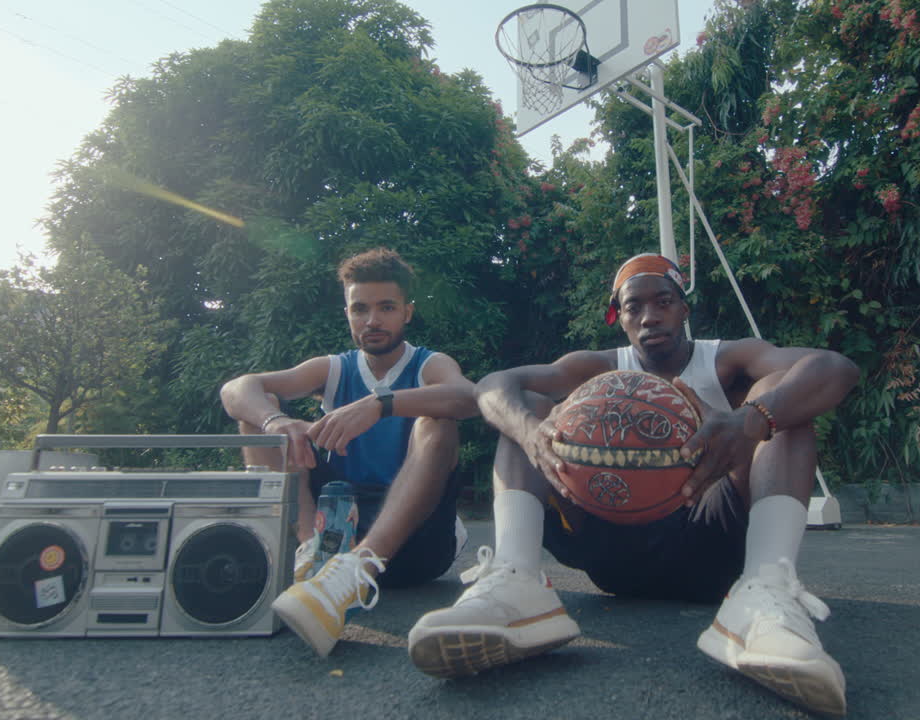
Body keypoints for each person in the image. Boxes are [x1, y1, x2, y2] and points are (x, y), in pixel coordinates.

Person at [408, 253, 860, 716]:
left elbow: (834, 367)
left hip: (712, 540)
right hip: (608, 541)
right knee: (526, 407)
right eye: (633, 306)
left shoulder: (729, 358)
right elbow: (496, 385)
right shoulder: (597, 367)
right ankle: (516, 581)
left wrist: (748, 419)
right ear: (617, 316)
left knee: (782, 406)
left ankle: (766, 595)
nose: (649, 315)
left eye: (663, 301)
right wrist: (529, 431)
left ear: (684, 308)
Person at [221, 247, 476, 657]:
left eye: (386, 307)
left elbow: (468, 398)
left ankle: (358, 569)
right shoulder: (334, 369)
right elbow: (236, 388)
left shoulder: (429, 364)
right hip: (337, 525)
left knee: (438, 418)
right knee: (259, 417)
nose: (372, 320)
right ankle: (311, 556)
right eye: (360, 309)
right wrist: (277, 422)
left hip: (415, 546)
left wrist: (380, 403)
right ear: (347, 314)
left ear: (407, 313)